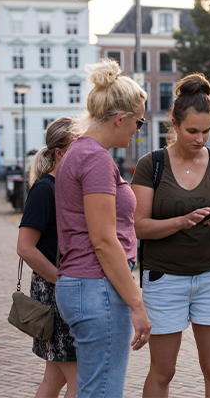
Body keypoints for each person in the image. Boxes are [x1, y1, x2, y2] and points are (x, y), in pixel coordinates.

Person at [132, 73, 210, 398]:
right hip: (164, 280)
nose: (200, 138)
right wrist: (181, 221)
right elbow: (139, 225)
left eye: (207, 131)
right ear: (175, 125)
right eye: (192, 131)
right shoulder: (150, 164)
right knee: (163, 371)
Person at [54, 58, 151, 397]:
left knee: (93, 388)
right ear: (119, 118)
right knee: (103, 391)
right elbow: (104, 241)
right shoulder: (95, 158)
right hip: (98, 288)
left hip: (83, 285)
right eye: (138, 123)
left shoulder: (78, 152)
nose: (138, 131)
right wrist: (137, 305)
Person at [17, 117, 77, 398]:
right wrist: (62, 281)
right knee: (82, 381)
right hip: (56, 295)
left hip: (62, 291)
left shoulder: (66, 188)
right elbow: (26, 247)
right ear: (60, 153)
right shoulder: (44, 189)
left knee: (54, 380)